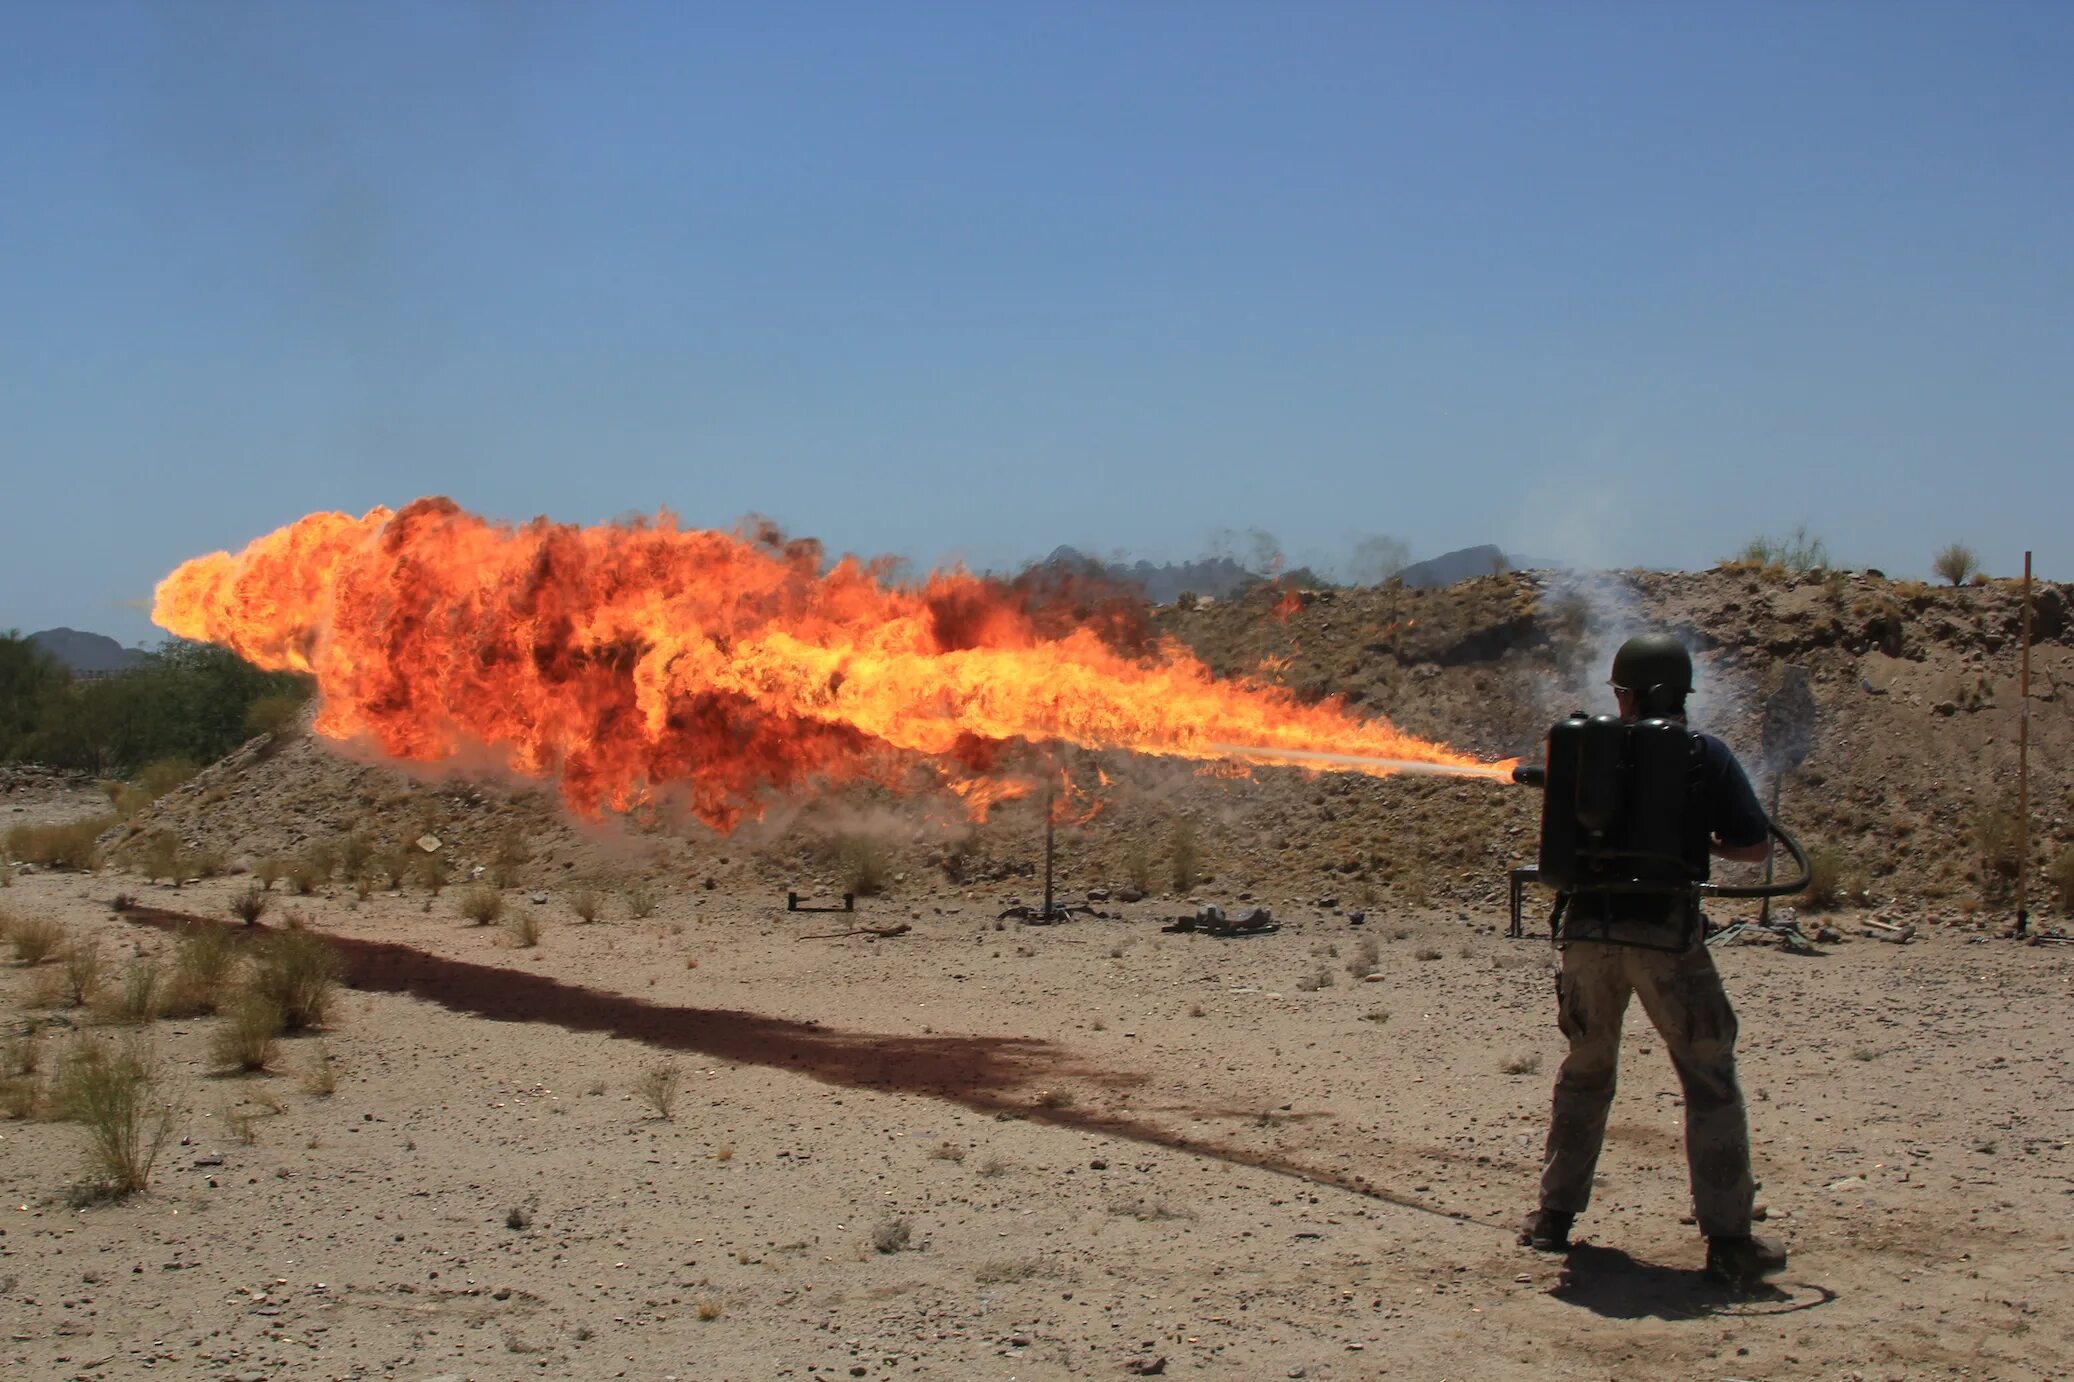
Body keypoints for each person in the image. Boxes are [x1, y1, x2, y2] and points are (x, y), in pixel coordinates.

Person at [1518, 632, 1788, 1286]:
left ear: (1631, 693)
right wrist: (1696, 840)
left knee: (1584, 1072)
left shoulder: (1584, 753)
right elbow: (1754, 850)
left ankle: (1553, 1219)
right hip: (1665, 939)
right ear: (1679, 692)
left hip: (1585, 936)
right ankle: (1728, 1244)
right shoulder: (1704, 754)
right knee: (1708, 1076)